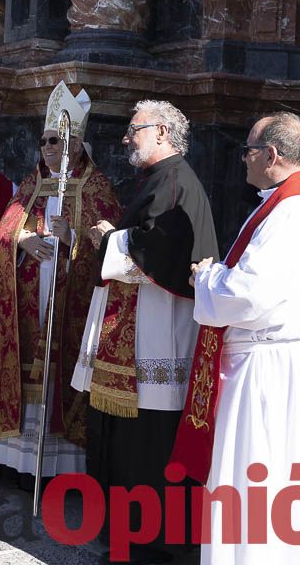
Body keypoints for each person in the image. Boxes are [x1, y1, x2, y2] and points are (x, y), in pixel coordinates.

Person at [179, 112, 300, 563]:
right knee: (281, 478)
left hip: (265, 370)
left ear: (271, 155)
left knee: (256, 477)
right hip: (281, 361)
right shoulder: (296, 203)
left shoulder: (293, 210)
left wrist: (206, 278)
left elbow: (251, 294)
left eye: (248, 151)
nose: (243, 160)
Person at [75, 99, 219, 564]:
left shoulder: (176, 180)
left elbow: (166, 249)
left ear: (161, 133)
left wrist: (109, 239)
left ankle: (154, 544)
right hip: (140, 333)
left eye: (133, 129)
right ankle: (133, 536)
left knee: (152, 444)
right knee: (133, 442)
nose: (125, 137)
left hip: (159, 338)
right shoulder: (159, 180)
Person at [0, 82, 120, 481]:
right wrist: (24, 239)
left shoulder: (97, 187)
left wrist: (73, 238)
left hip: (70, 299)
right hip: (28, 300)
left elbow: (111, 242)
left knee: (59, 374)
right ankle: (15, 461)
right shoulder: (31, 184)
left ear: (78, 144)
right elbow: (2, 233)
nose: (49, 147)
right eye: (45, 141)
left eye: (58, 140)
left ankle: (56, 468)